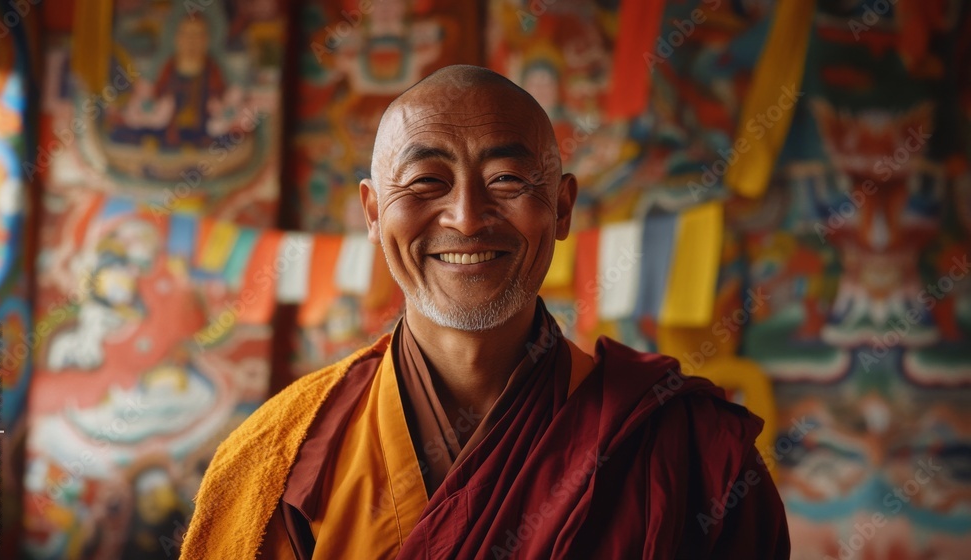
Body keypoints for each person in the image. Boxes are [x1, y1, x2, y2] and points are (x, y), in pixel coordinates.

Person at [179, 65, 790, 559]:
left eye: (507, 180)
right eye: (425, 182)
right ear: (371, 213)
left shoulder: (688, 447)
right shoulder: (276, 454)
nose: (467, 218)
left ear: (561, 207)